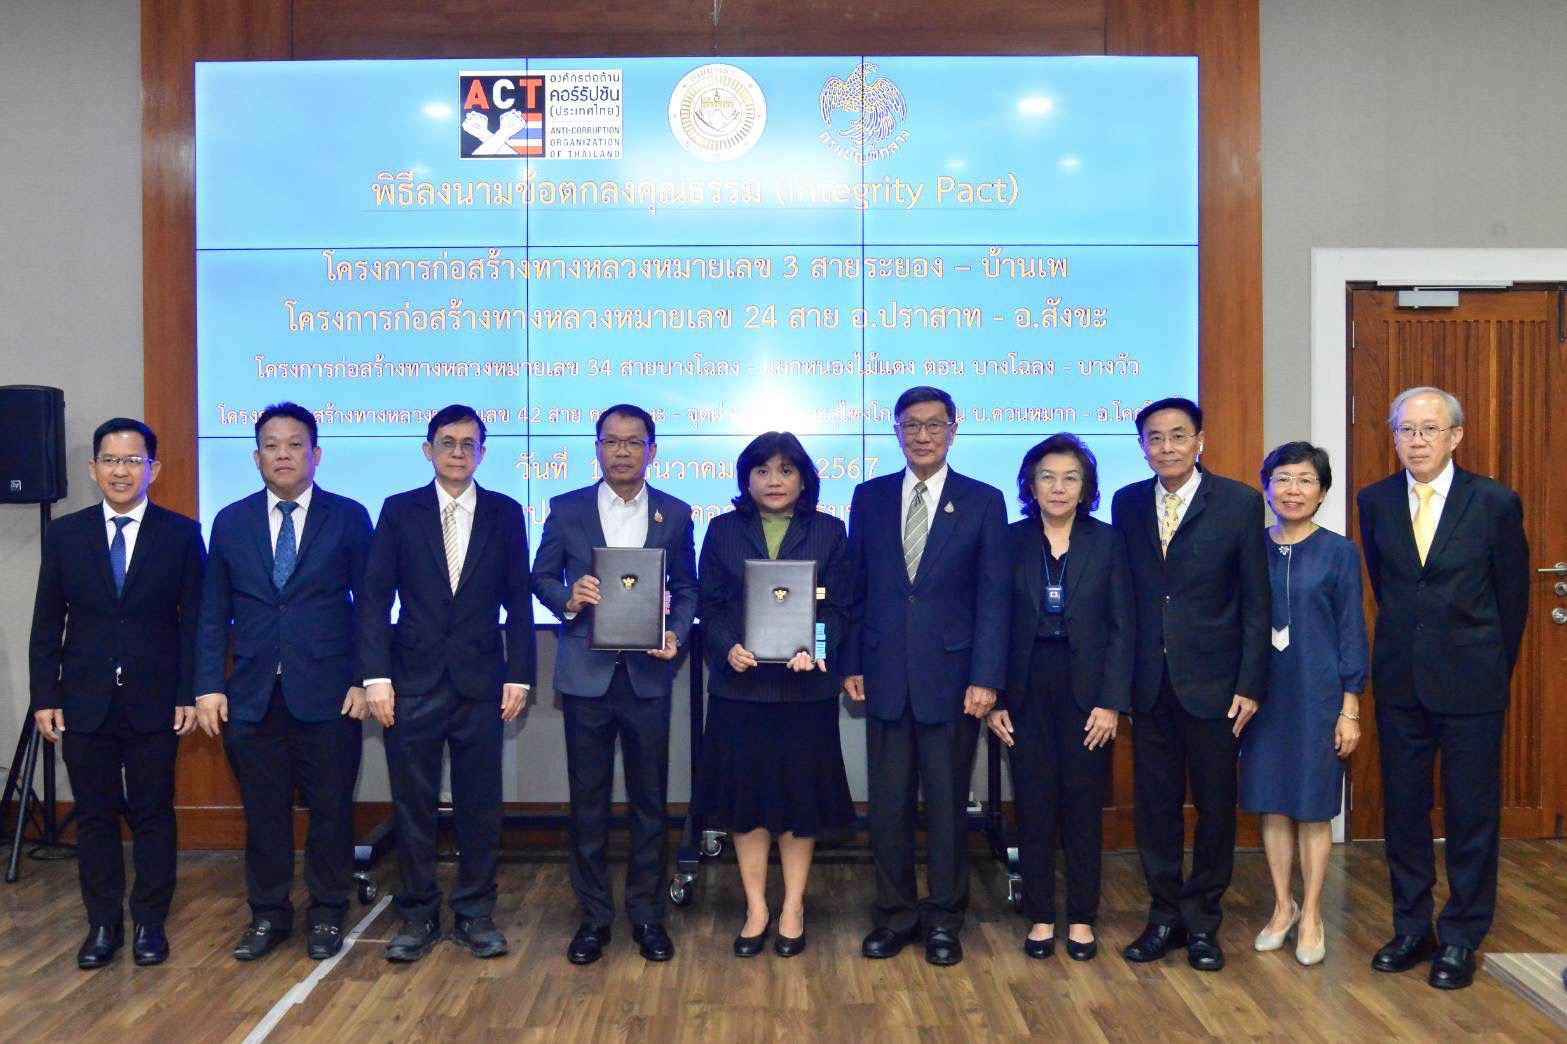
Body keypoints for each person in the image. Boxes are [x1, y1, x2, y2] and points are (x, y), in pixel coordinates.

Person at [1357, 386, 1529, 990]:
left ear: (1455, 436)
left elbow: (1512, 599)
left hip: (1472, 686)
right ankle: (1412, 927)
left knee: (1470, 814)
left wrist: (1491, 670)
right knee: (1404, 812)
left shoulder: (1494, 502)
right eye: (1406, 430)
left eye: (1429, 430)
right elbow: (1389, 586)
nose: (1417, 441)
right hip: (1401, 683)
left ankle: (1460, 935)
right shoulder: (1375, 500)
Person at [194, 402, 373, 961]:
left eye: (295, 445)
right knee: (264, 813)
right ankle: (268, 914)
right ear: (256, 458)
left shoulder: (348, 517)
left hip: (330, 693)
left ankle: (327, 912)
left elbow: (370, 607)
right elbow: (211, 612)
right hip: (251, 695)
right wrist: (209, 685)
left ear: (316, 454)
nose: (283, 455)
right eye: (271, 446)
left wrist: (364, 680)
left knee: (331, 810)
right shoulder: (230, 521)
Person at [358, 403, 536, 962]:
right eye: (447, 442)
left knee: (480, 804)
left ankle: (475, 913)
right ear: (428, 449)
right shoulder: (399, 510)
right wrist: (376, 677)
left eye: (468, 444)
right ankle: (417, 915)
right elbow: (374, 599)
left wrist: (520, 674)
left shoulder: (506, 512)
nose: (458, 453)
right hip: (411, 681)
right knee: (413, 804)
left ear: (482, 452)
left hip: (482, 681)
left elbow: (519, 602)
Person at [28, 418, 204, 969]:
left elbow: (195, 625)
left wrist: (189, 693)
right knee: (95, 816)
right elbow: (46, 622)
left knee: (153, 814)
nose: (121, 471)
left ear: (154, 468)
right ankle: (102, 925)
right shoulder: (66, 535)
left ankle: (150, 922)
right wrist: (45, 696)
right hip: (84, 701)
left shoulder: (182, 534)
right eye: (110, 460)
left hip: (156, 702)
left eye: (133, 460)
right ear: (93, 468)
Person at [843, 385, 1009, 967]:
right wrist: (851, 662)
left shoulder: (983, 501)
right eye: (910, 425)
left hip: (954, 681)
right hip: (884, 675)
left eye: (934, 425)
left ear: (953, 430)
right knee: (888, 808)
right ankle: (894, 916)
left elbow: (994, 598)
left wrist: (986, 677)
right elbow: (855, 589)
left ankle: (943, 919)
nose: (922, 435)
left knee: (945, 808)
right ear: (895, 431)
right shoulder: (868, 497)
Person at [530, 404, 696, 964]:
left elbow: (688, 589)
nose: (622, 451)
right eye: (611, 441)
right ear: (597, 447)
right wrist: (568, 598)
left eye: (633, 442)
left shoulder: (675, 513)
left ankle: (648, 916)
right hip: (586, 677)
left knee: (650, 802)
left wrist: (675, 632)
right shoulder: (566, 508)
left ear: (652, 450)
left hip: (648, 675)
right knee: (588, 803)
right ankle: (594, 918)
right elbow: (540, 575)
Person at [1111, 396, 1269, 972]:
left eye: (1178, 436)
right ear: (1142, 447)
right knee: (1155, 808)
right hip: (1150, 685)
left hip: (1217, 685)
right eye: (1154, 438)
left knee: (1215, 807)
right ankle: (1164, 916)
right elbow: (1125, 598)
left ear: (1200, 441)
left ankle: (1202, 921)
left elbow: (1256, 601)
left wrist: (1250, 682)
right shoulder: (1127, 503)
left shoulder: (1238, 502)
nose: (1167, 447)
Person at [694, 431, 854, 959]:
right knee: (748, 802)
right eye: (762, 471)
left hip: (805, 691)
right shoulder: (722, 530)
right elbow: (710, 604)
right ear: (747, 480)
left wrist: (816, 646)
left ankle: (793, 907)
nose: (774, 480)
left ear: (804, 479)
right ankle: (756, 907)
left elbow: (840, 607)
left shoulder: (829, 531)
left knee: (799, 800)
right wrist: (727, 648)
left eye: (786, 470)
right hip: (741, 689)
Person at [986, 434, 1131, 962]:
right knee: (1034, 805)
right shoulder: (1009, 540)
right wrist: (995, 698)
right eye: (1047, 477)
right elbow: (992, 622)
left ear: (1086, 487)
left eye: (1071, 478)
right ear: (1030, 484)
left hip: (1088, 691)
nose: (1058, 487)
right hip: (1024, 688)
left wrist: (1111, 701)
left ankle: (1084, 917)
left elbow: (1123, 627)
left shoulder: (1108, 541)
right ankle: (1042, 916)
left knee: (1083, 807)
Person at [1240, 441, 1367, 966]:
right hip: (1262, 694)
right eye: (1283, 479)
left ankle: (1312, 913)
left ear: (1322, 492)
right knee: (1272, 801)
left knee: (1313, 806)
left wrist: (1350, 707)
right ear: (1267, 487)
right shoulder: (1249, 546)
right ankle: (1282, 907)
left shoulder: (1340, 552)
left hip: (1319, 694)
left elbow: (1352, 630)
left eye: (1305, 480)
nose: (1293, 490)